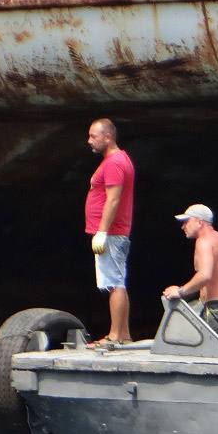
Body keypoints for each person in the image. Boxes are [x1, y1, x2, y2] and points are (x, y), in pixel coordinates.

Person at [162, 204, 218, 342]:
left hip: (217, 310)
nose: (183, 226)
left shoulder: (203, 242)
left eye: (186, 221)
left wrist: (180, 291)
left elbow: (204, 275)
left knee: (209, 355)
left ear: (199, 222)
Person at [84, 118, 135, 345]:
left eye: (93, 136)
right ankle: (123, 334)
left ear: (108, 137)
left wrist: (102, 232)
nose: (89, 141)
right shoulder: (118, 159)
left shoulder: (114, 162)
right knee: (118, 281)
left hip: (112, 233)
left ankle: (114, 336)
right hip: (114, 232)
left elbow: (113, 200)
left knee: (114, 282)